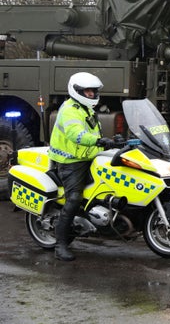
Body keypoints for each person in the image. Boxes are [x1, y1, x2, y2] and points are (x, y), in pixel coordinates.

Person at [49, 72, 114, 261]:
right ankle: (60, 245)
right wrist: (100, 141)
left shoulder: (86, 108)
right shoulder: (69, 109)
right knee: (74, 199)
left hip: (88, 157)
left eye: (93, 91)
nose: (92, 95)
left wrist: (114, 142)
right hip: (70, 162)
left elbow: (93, 132)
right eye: (88, 91)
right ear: (76, 91)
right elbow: (76, 135)